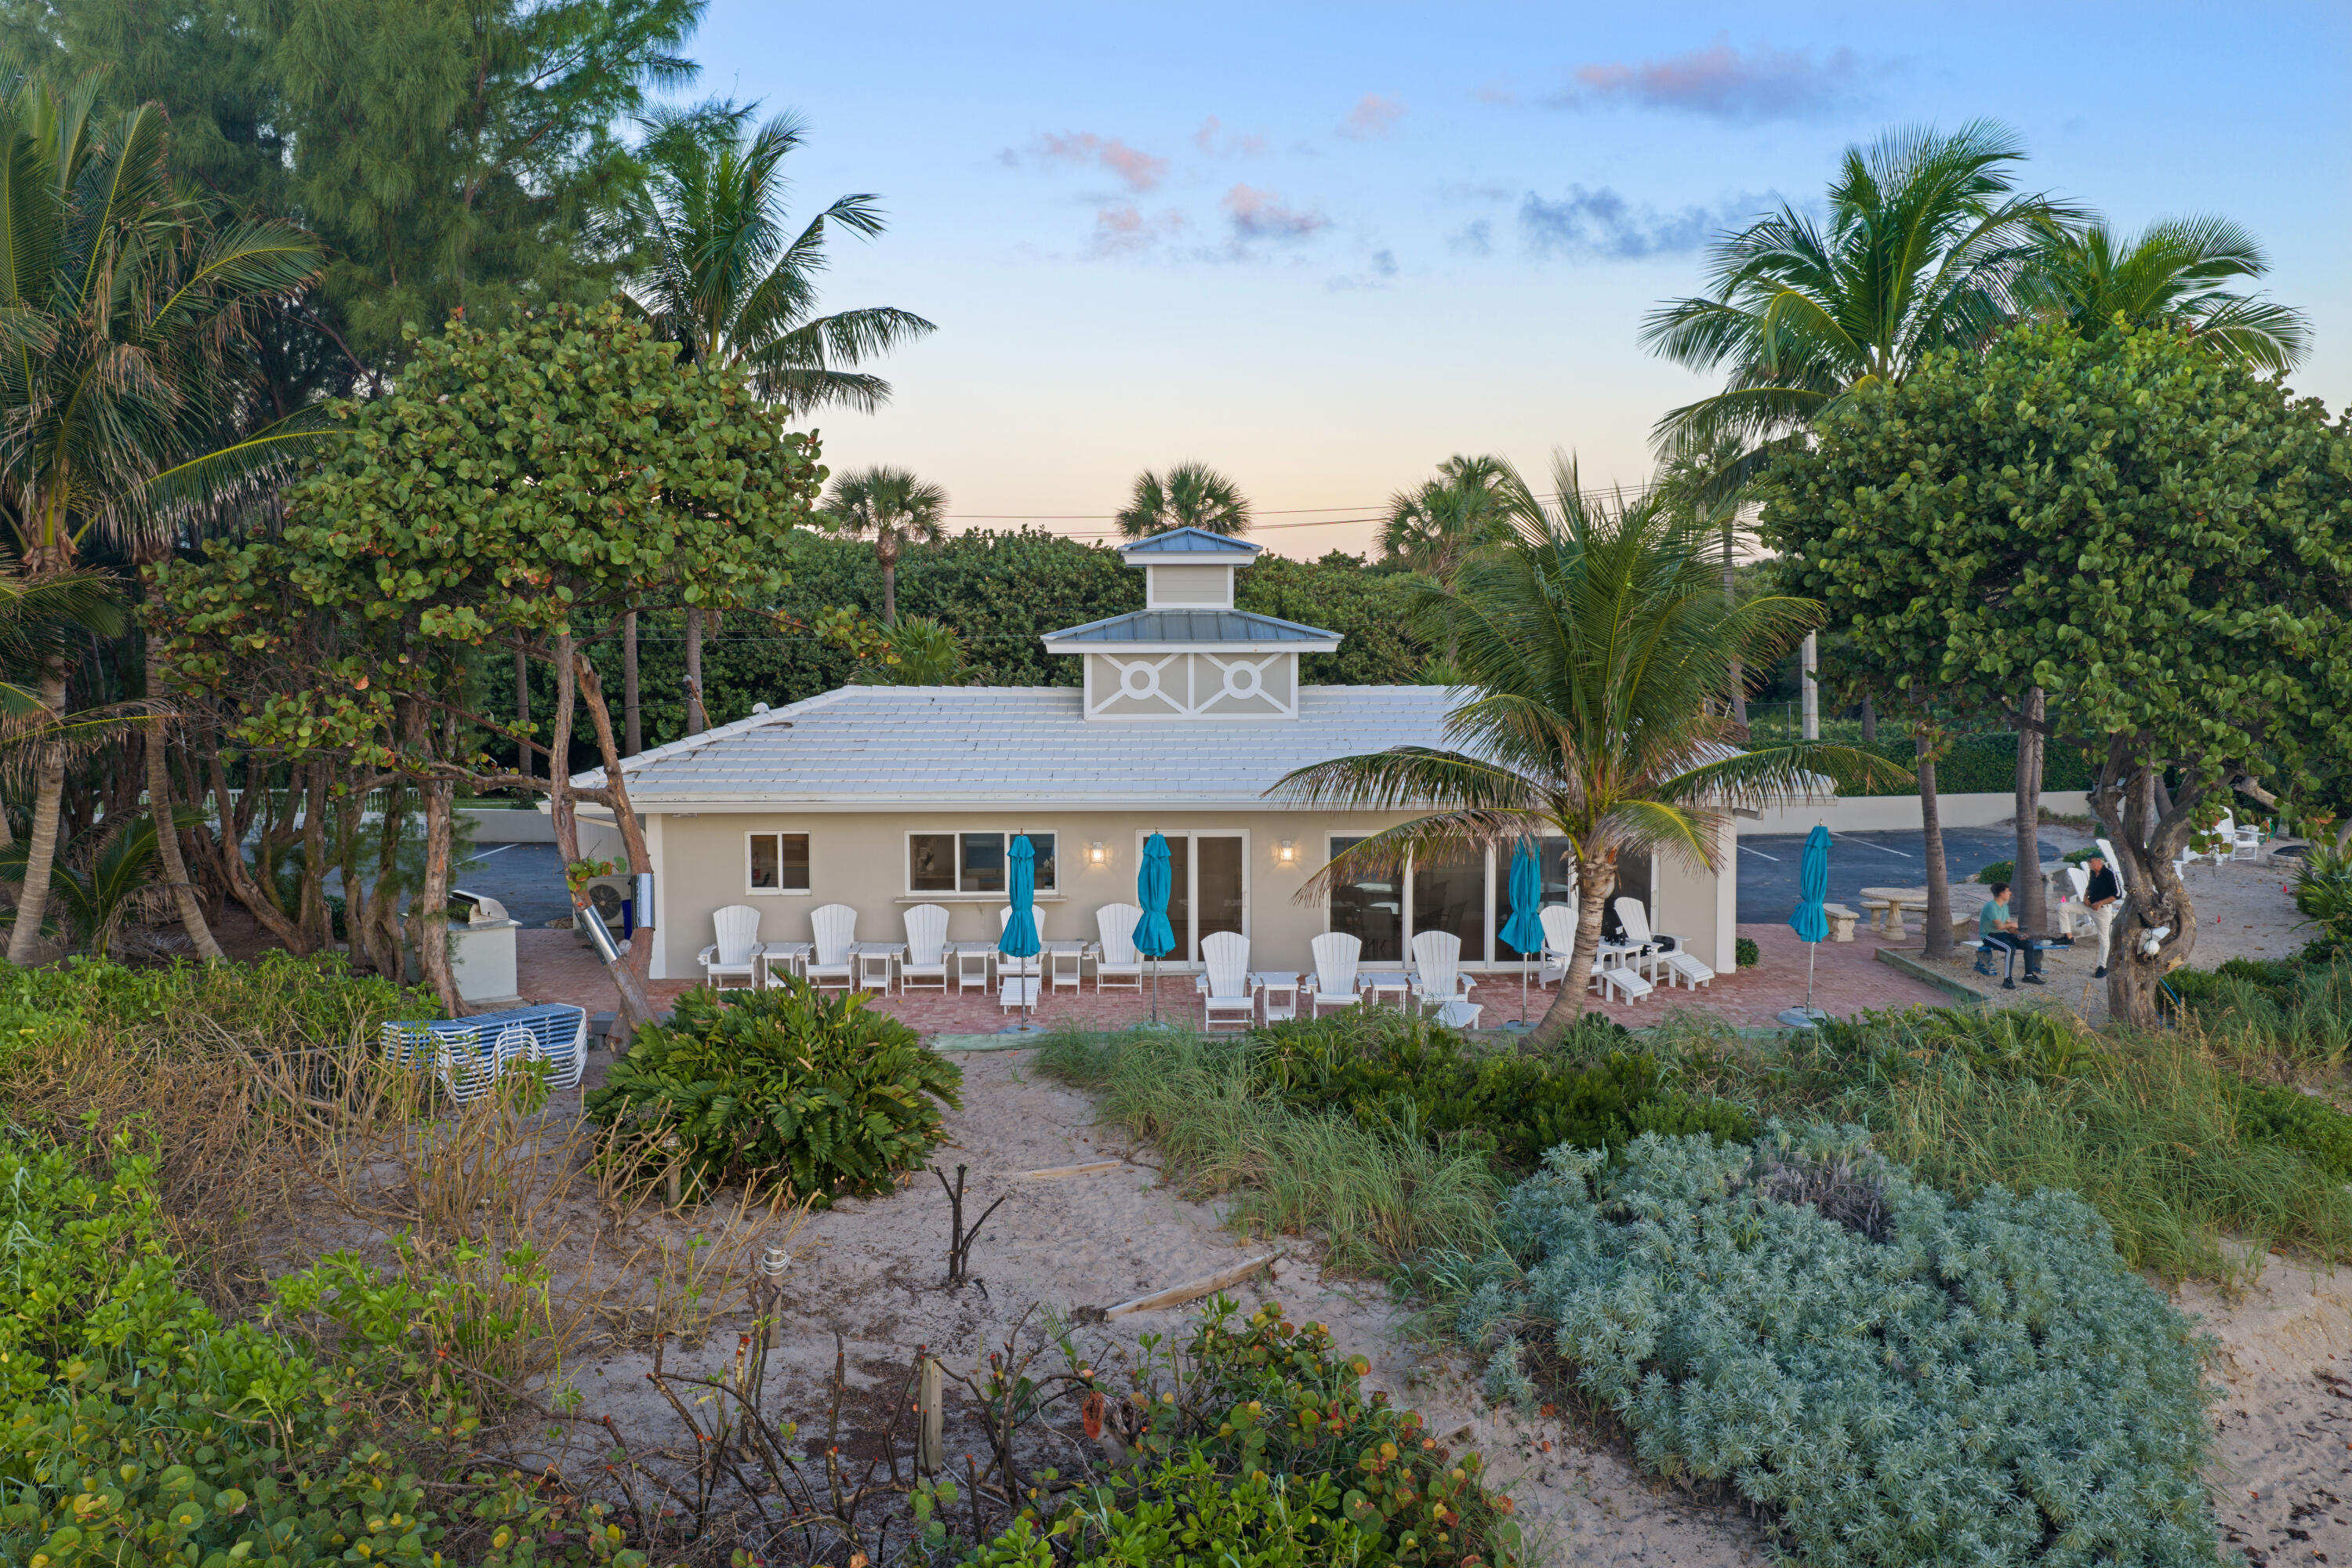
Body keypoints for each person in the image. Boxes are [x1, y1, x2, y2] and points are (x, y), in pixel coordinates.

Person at [1977, 881, 2044, 989]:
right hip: (1989, 936)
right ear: (2001, 894)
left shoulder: (2004, 907)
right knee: (2010, 948)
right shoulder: (1991, 906)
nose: (2010, 893)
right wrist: (2015, 924)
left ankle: (2029, 975)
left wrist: (2019, 934)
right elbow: (1999, 926)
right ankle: (2007, 979)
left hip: (2002, 934)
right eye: (2008, 891)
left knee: (2028, 944)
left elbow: (2009, 927)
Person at [2082, 852, 2122, 978]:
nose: (2089, 864)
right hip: (2089, 906)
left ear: (2099, 861)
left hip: (2103, 909)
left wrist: (2100, 902)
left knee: (2103, 938)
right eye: (2088, 862)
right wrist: (2085, 896)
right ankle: (2067, 936)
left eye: (2091, 861)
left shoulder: (2109, 874)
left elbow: (2117, 895)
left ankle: (2103, 966)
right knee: (2064, 907)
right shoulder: (2093, 873)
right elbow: (2089, 886)